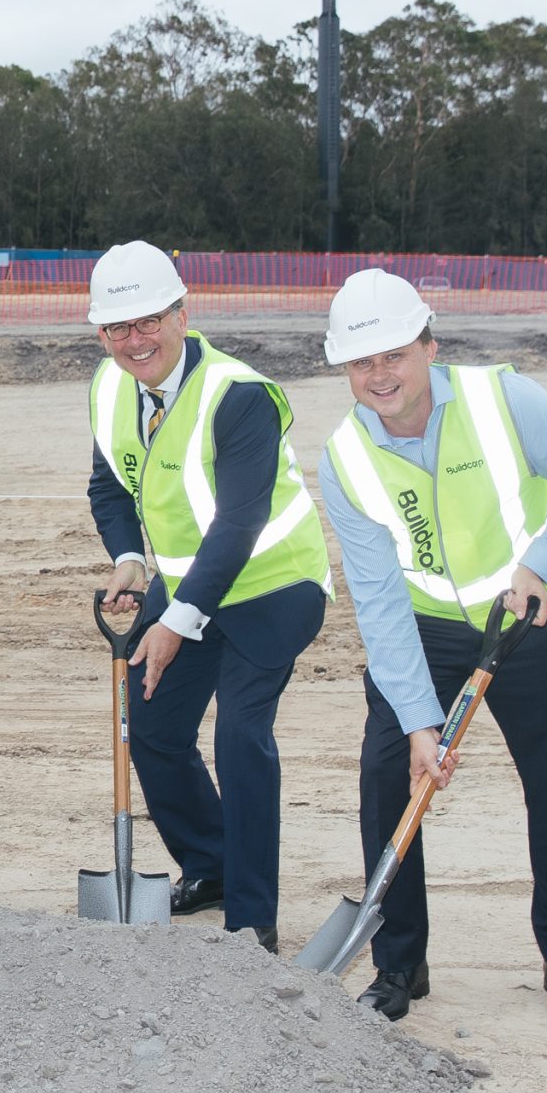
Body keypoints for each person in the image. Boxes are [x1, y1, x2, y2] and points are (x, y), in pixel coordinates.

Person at [316, 269, 547, 1022]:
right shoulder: (345, 461)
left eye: (394, 355)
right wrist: (418, 721)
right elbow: (379, 601)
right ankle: (399, 962)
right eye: (361, 362)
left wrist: (539, 564)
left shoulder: (503, 400)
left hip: (533, 618)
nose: (379, 375)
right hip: (427, 629)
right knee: (390, 776)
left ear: (428, 344)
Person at [82, 241, 328, 949]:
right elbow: (109, 486)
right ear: (101, 335)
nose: (136, 341)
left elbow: (240, 520)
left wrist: (177, 621)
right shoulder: (108, 388)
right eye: (119, 328)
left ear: (182, 313)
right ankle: (212, 862)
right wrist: (130, 558)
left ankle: (252, 919)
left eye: (150, 321)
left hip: (274, 582)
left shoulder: (237, 393)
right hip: (191, 582)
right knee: (151, 727)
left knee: (240, 732)